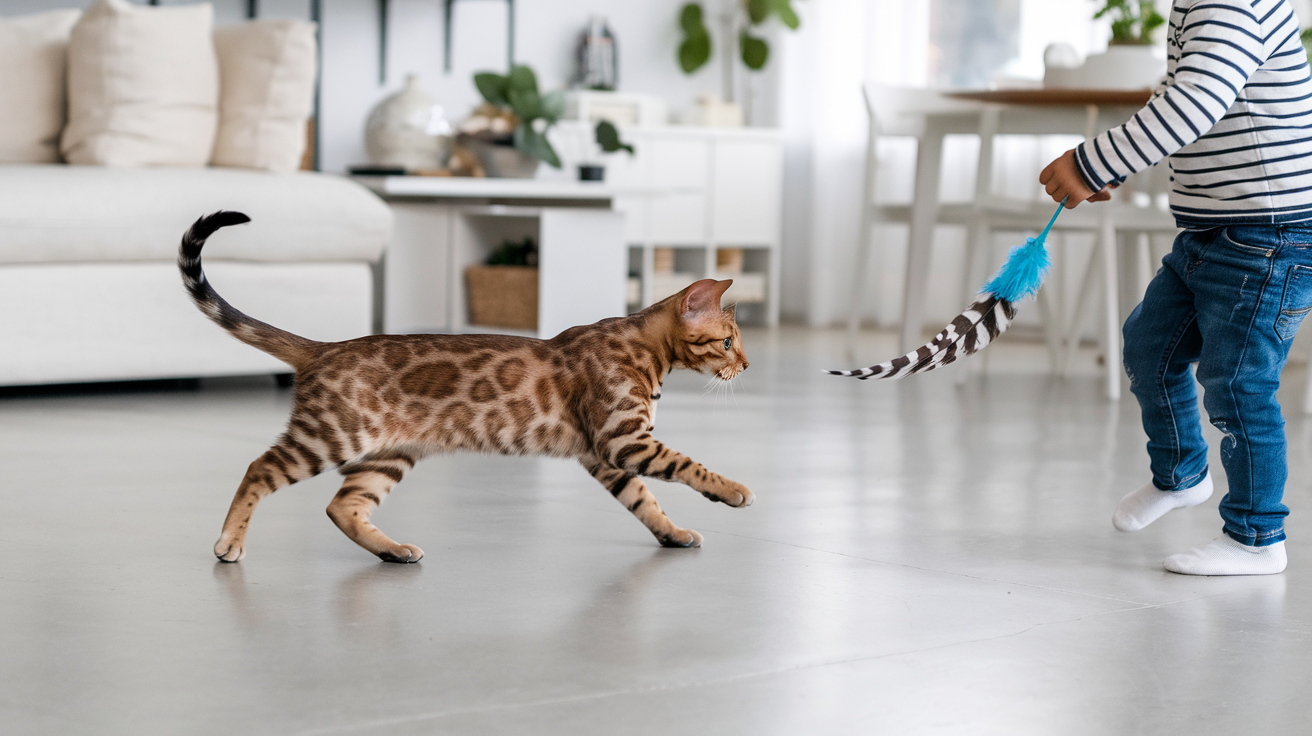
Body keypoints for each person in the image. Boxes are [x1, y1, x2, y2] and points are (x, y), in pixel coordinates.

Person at [1040, 0, 1312, 575]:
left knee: (1238, 382)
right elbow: (1180, 90)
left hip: (1268, 233)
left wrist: (1094, 162)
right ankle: (1182, 474)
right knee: (1148, 344)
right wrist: (1118, 163)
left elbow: (1196, 103)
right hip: (1213, 230)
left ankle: (1257, 536)